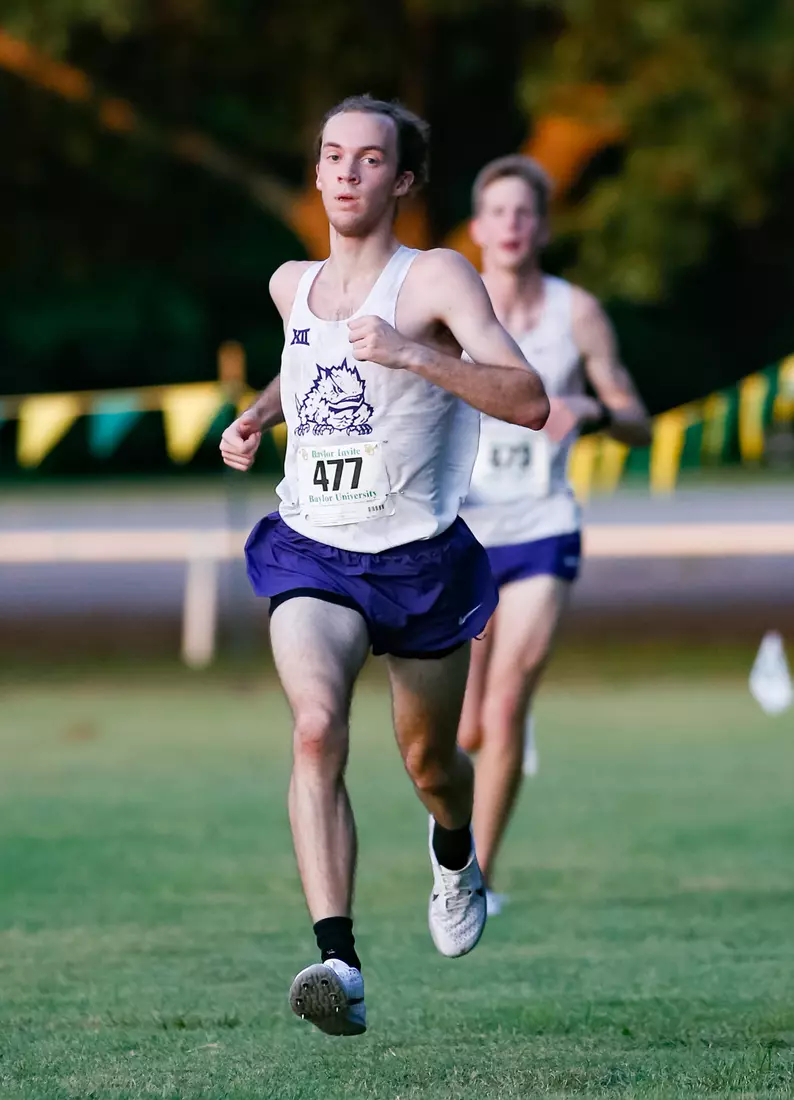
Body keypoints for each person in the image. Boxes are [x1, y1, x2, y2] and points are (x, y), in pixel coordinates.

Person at [220, 98, 549, 1037]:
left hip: (419, 562)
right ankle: (338, 960)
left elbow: (527, 399)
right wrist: (257, 418)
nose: (348, 173)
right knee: (317, 730)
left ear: (402, 180)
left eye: (370, 160)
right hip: (313, 546)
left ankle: (456, 852)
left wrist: (412, 353)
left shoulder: (437, 279)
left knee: (430, 763)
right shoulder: (292, 284)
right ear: (318, 172)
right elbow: (304, 363)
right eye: (333, 156)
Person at [457, 155, 652, 916]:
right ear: (476, 228)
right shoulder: (447, 309)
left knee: (506, 710)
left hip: (544, 528)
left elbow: (636, 418)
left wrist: (591, 409)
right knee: (463, 722)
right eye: (497, 212)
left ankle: (478, 882)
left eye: (524, 212)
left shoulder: (578, 313)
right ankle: (453, 819)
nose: (510, 225)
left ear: (541, 226)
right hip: (461, 533)